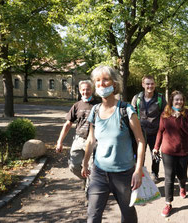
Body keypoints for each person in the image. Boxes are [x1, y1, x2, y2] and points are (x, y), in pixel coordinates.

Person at [81, 65, 145, 223]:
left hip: (124, 174)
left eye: (105, 79)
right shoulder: (95, 110)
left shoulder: (126, 110)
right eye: (97, 81)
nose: (101, 84)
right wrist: (84, 163)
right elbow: (91, 140)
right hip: (99, 172)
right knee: (93, 215)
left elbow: (140, 140)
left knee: (128, 215)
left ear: (114, 83)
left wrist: (138, 170)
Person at [153, 90, 188, 217]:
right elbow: (160, 131)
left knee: (182, 175)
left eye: (181, 99)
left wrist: (180, 119)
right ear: (172, 101)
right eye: (177, 99)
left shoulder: (187, 113)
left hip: (183, 150)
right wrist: (156, 147)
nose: (179, 102)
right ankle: (168, 203)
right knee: (168, 177)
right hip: (168, 151)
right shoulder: (165, 114)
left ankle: (182, 186)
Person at [56, 80, 99, 189]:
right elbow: (67, 124)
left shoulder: (98, 105)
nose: (86, 92)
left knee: (92, 167)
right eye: (83, 89)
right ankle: (85, 179)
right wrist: (59, 142)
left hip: (95, 141)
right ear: (80, 91)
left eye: (88, 89)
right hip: (79, 140)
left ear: (92, 90)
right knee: (73, 166)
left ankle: (89, 194)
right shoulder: (76, 106)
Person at [131, 75, 166, 183]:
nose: (150, 86)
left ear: (155, 84)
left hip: (155, 132)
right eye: (147, 84)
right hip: (140, 132)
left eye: (151, 83)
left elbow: (166, 115)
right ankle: (139, 173)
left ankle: (155, 174)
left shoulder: (160, 98)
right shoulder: (137, 98)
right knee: (139, 154)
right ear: (143, 85)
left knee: (155, 154)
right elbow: (131, 114)